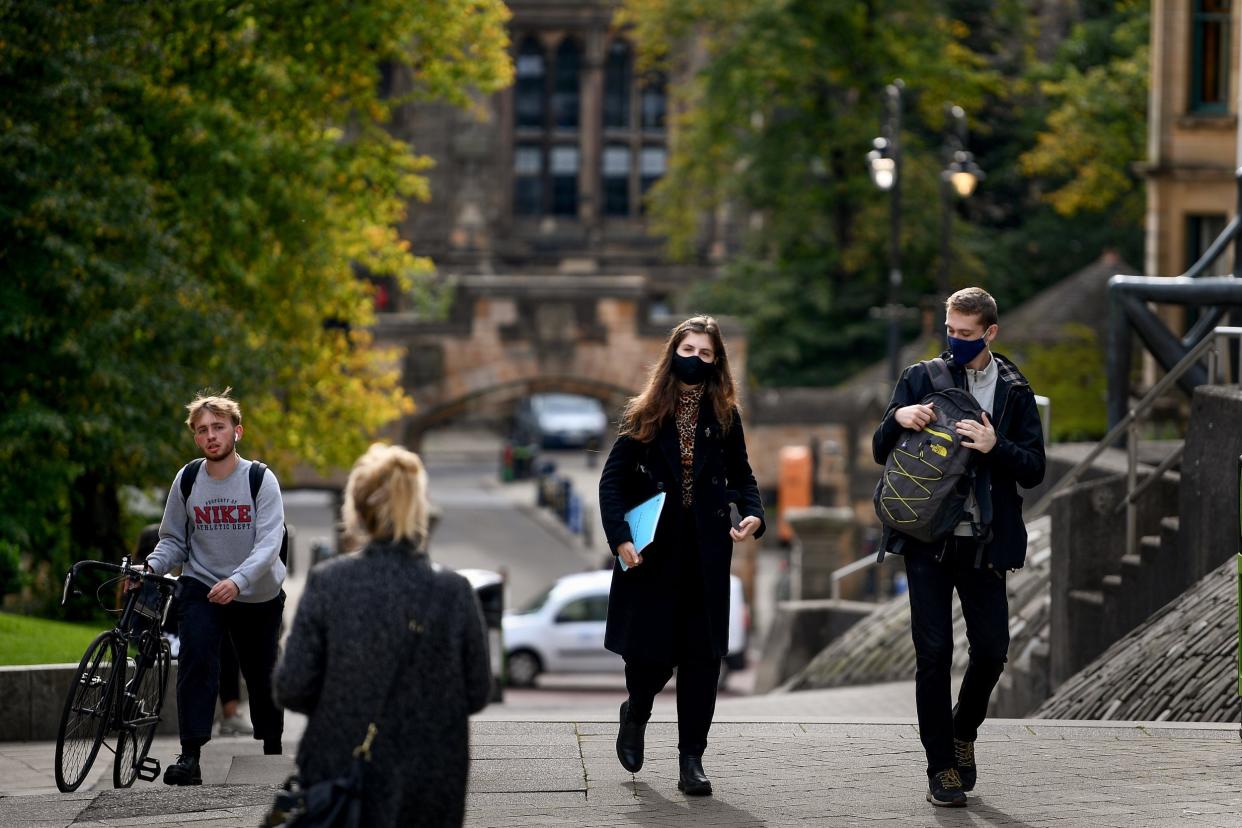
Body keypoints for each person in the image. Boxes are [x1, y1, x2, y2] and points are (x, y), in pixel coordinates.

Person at [872, 287, 1045, 807]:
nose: (956, 342)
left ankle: (963, 731)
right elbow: (881, 448)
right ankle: (940, 766)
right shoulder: (922, 378)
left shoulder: (1013, 388)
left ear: (990, 333)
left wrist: (997, 447)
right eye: (950, 331)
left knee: (991, 650)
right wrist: (898, 418)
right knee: (933, 654)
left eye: (966, 335)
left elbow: (1035, 469)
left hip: (984, 543)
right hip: (925, 538)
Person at [274, 443, 491, 827]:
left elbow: (292, 686)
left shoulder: (329, 583)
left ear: (358, 509)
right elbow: (476, 692)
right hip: (431, 773)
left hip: (341, 764)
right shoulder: (454, 591)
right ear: (420, 509)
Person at [598, 315, 765, 797]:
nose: (695, 359)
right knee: (649, 656)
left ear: (717, 363)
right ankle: (637, 711)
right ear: (673, 352)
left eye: (705, 353)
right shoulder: (644, 412)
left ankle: (691, 759)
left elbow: (744, 477)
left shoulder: (726, 417)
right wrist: (621, 536)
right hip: (653, 553)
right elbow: (612, 482)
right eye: (688, 350)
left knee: (702, 659)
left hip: (706, 554)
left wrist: (753, 512)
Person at [143, 389, 287, 785]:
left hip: (256, 593)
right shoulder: (187, 479)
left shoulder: (260, 479)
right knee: (197, 661)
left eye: (218, 427)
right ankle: (190, 756)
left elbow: (269, 544)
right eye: (202, 430)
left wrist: (238, 581)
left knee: (261, 673)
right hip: (203, 584)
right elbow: (173, 538)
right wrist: (151, 564)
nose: (211, 436)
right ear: (196, 437)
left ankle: (272, 747)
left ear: (236, 432)